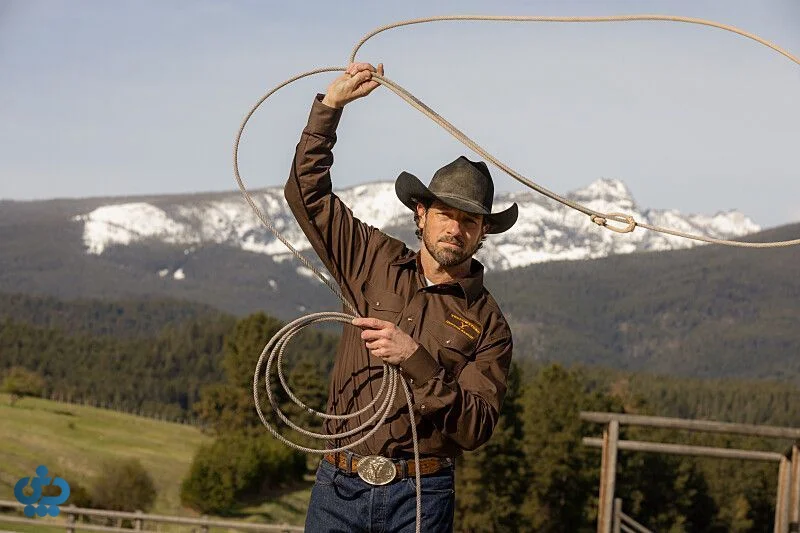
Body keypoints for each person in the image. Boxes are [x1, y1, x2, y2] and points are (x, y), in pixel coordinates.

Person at [284, 62, 517, 533]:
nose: (456, 228)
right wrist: (330, 108)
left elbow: (476, 428)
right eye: (446, 214)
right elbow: (307, 194)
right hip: (339, 485)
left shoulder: (489, 323)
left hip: (420, 496)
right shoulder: (373, 259)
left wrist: (417, 360)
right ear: (421, 213)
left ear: (482, 233)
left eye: (470, 220)